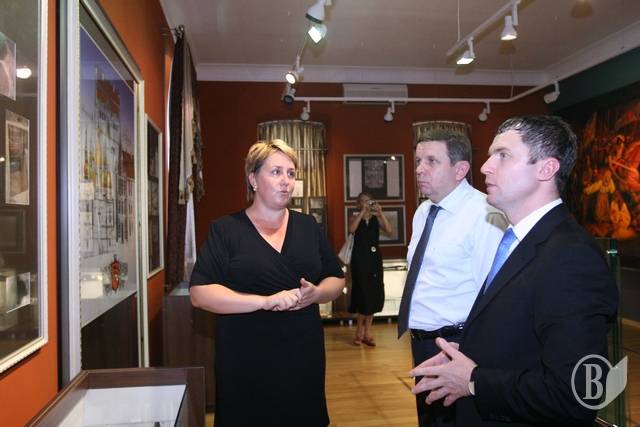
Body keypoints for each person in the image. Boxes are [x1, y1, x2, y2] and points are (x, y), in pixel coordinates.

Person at [410, 116, 618, 426]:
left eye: (503, 155)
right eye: (491, 155)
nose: (485, 167)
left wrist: (473, 380)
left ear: (546, 169)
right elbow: (520, 335)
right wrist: (468, 349)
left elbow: (577, 395)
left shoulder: (571, 256)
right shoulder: (518, 241)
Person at [190, 139, 345, 427]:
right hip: (244, 358)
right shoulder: (226, 230)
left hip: (302, 355)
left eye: (291, 173)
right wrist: (264, 301)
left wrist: (317, 293)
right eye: (276, 172)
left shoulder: (308, 226)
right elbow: (200, 293)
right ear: (253, 179)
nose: (286, 181)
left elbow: (336, 279)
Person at [398, 129, 507, 426]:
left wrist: (469, 349)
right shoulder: (423, 212)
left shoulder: (485, 213)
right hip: (423, 344)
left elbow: (493, 295)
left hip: (458, 346)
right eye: (418, 160)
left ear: (460, 170)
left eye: (431, 161)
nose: (419, 169)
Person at [348, 192, 392, 346]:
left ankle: (367, 332)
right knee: (362, 293)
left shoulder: (375, 218)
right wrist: (362, 212)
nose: (367, 203)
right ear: (358, 204)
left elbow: (389, 230)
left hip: (374, 260)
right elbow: (351, 229)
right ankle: (358, 331)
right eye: (363, 201)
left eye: (369, 201)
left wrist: (380, 213)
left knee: (373, 293)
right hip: (359, 261)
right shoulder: (355, 217)